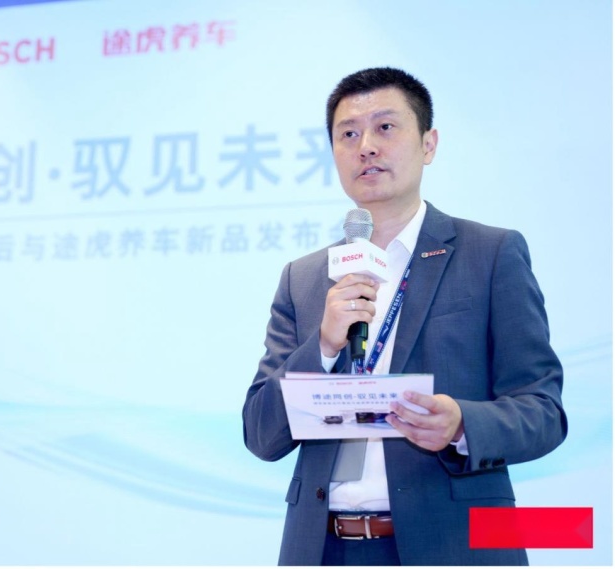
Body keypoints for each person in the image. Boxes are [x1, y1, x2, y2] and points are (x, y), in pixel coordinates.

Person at [242, 67, 566, 566]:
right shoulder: (303, 279)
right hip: (323, 549)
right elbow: (261, 435)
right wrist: (323, 347)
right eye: (349, 134)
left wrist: (462, 424)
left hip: (453, 545)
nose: (366, 147)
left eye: (385, 127)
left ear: (428, 144)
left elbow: (543, 411)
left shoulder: (489, 254)